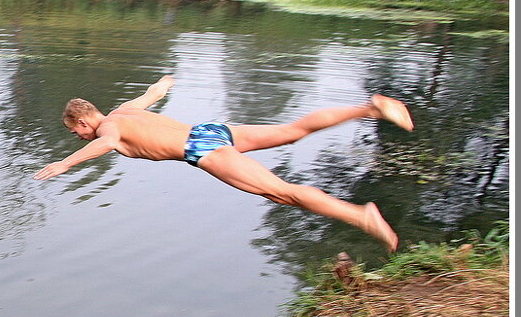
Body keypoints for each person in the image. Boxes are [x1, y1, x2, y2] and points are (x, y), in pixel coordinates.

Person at [33, 75, 414, 251]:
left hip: (204, 151)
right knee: (294, 130)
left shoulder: (107, 130)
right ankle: (369, 108)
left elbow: (108, 142)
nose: (81, 138)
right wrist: (165, 84)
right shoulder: (124, 110)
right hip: (210, 130)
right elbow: (153, 93)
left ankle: (361, 216)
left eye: (76, 133)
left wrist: (66, 164)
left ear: (84, 122)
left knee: (282, 193)